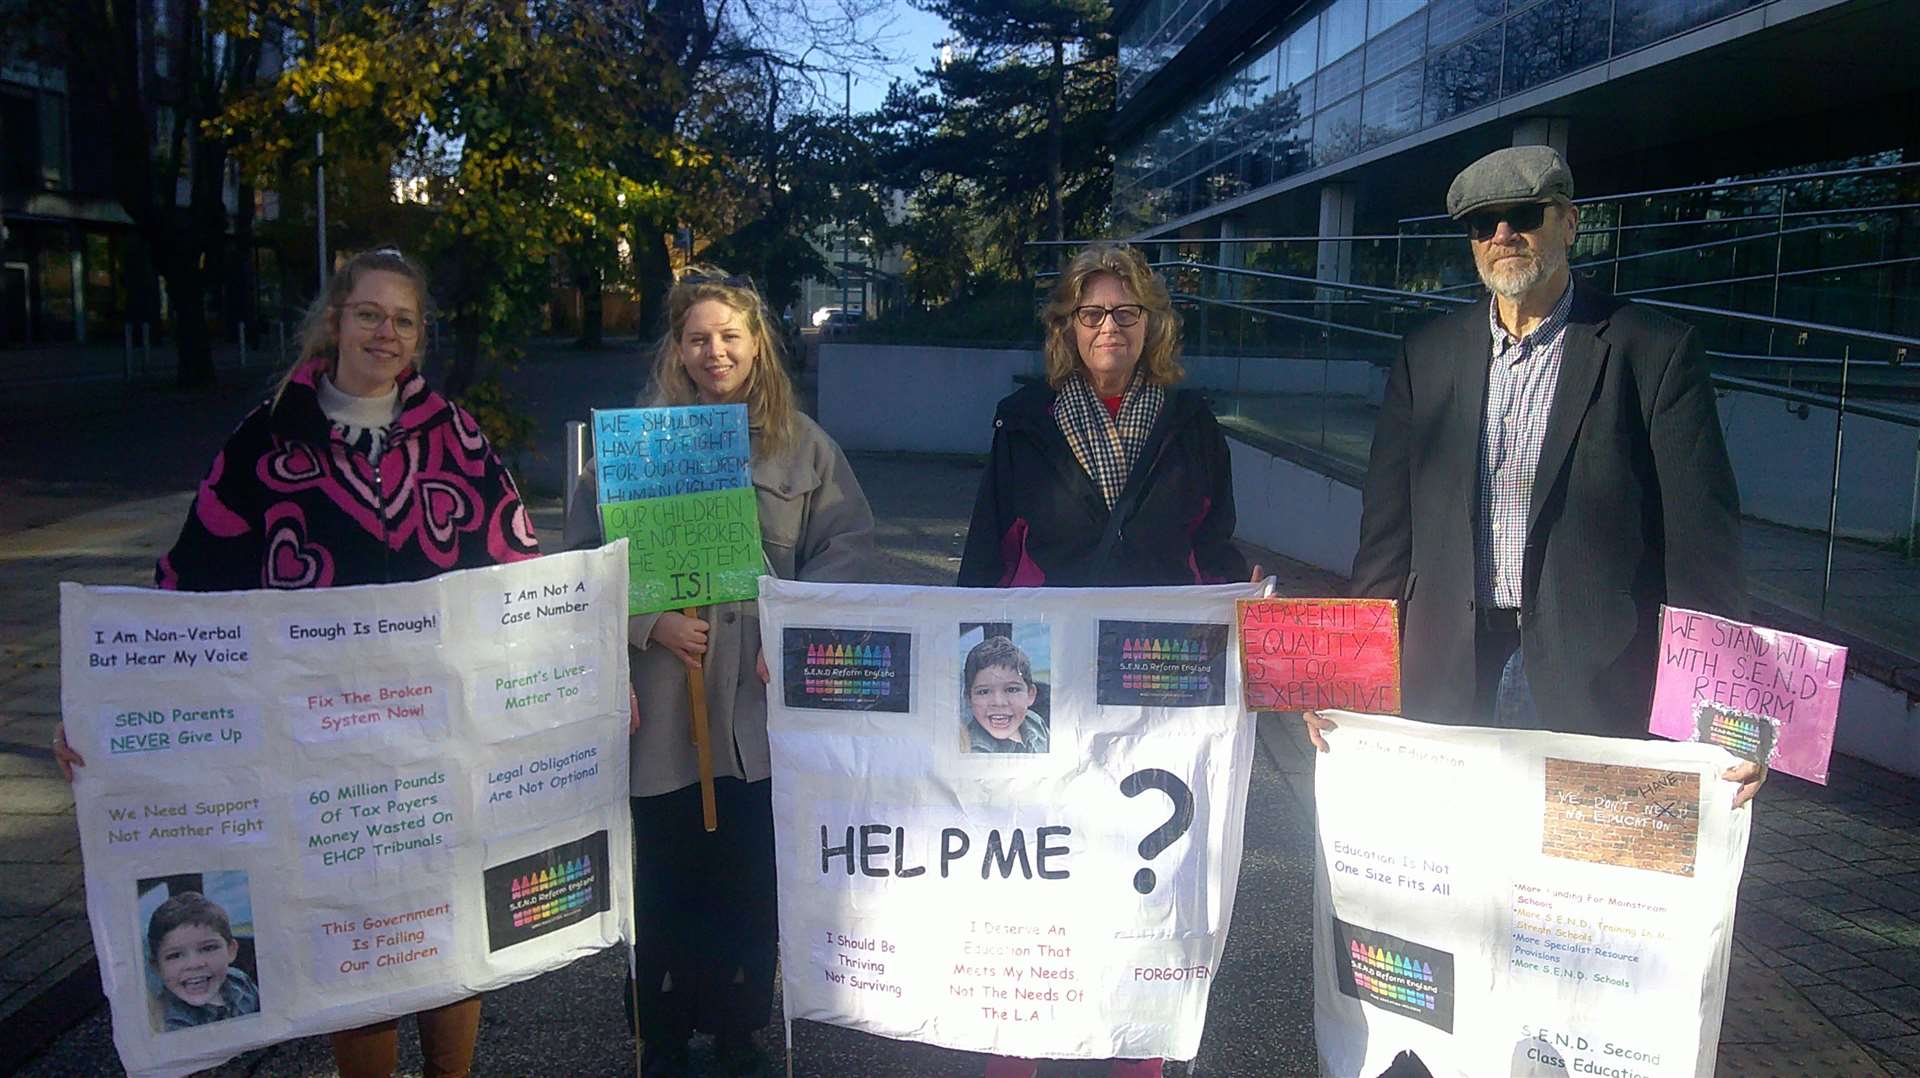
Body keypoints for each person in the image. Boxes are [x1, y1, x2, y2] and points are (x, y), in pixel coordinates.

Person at [56, 247, 543, 1077]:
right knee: (357, 939)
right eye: (369, 315)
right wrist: (105, 715)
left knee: (450, 922)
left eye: (402, 320)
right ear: (335, 321)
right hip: (325, 752)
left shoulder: (456, 439)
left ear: (419, 336)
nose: (384, 333)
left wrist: (580, 680)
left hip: (438, 742)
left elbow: (521, 572)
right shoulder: (267, 438)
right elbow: (184, 591)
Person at [1308, 145, 1763, 806]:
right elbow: (1385, 537)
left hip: (1594, 675)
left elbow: (1704, 548)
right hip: (1446, 670)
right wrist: (1348, 677)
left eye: (1523, 214)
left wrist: (1728, 716)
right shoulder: (1426, 356)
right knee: (1453, 883)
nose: (1502, 236)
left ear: (1570, 223)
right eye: (1481, 224)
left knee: (1569, 896)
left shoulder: (1654, 351)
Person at [564, 267, 877, 1077]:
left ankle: (741, 1027)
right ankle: (661, 1029)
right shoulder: (632, 448)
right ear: (678, 347)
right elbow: (580, 563)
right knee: (666, 877)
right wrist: (647, 621)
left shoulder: (804, 447)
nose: (715, 351)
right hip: (667, 712)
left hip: (759, 716)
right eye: (698, 337)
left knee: (750, 880)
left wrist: (795, 627)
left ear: (756, 343)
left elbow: (846, 548)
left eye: (730, 336)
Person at [959, 242, 1249, 1078]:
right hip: (1044, 675)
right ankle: (1018, 1047)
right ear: (1068, 327)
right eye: (1092, 314)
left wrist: (1255, 635)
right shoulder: (1024, 422)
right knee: (1034, 866)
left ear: (1151, 323)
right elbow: (988, 555)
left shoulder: (1191, 423)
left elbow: (1213, 544)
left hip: (1158, 677)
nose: (1110, 327)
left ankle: (1138, 1051)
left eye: (1126, 312)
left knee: (1142, 870)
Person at [147, 891, 260, 1031]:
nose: (194, 964)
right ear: (157, 967)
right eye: (175, 955)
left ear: (231, 951)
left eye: (208, 948)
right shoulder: (164, 1023)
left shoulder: (241, 982)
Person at [963, 635, 1049, 754]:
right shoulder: (969, 749)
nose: (999, 702)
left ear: (1030, 695)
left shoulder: (1036, 723)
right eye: (984, 692)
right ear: (968, 699)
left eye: (1012, 689)